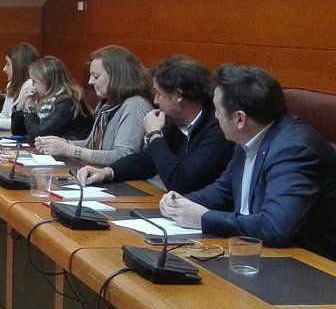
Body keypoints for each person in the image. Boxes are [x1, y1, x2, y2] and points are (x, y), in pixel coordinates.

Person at [159, 65, 336, 259]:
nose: (215, 116)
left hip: (309, 263)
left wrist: (203, 218)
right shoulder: (249, 136)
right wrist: (182, 202)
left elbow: (274, 227)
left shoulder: (294, 150)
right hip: (255, 251)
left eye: (217, 110)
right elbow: (223, 190)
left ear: (240, 119)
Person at [77, 55, 234, 193]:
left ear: (178, 96)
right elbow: (146, 160)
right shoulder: (176, 123)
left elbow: (181, 183)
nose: (155, 101)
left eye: (159, 94)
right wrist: (108, 172)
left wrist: (154, 134)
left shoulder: (218, 130)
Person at [34, 45, 153, 166]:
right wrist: (63, 143)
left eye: (96, 76)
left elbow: (123, 156)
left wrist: (68, 149)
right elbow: (91, 145)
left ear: (117, 76)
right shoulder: (106, 104)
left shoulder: (135, 105)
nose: (90, 81)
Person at [11, 56, 92, 140]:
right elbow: (18, 132)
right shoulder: (44, 99)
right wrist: (20, 107)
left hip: (72, 146)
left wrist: (30, 109)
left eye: (34, 82)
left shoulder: (67, 100)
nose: (32, 86)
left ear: (48, 82)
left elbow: (40, 135)